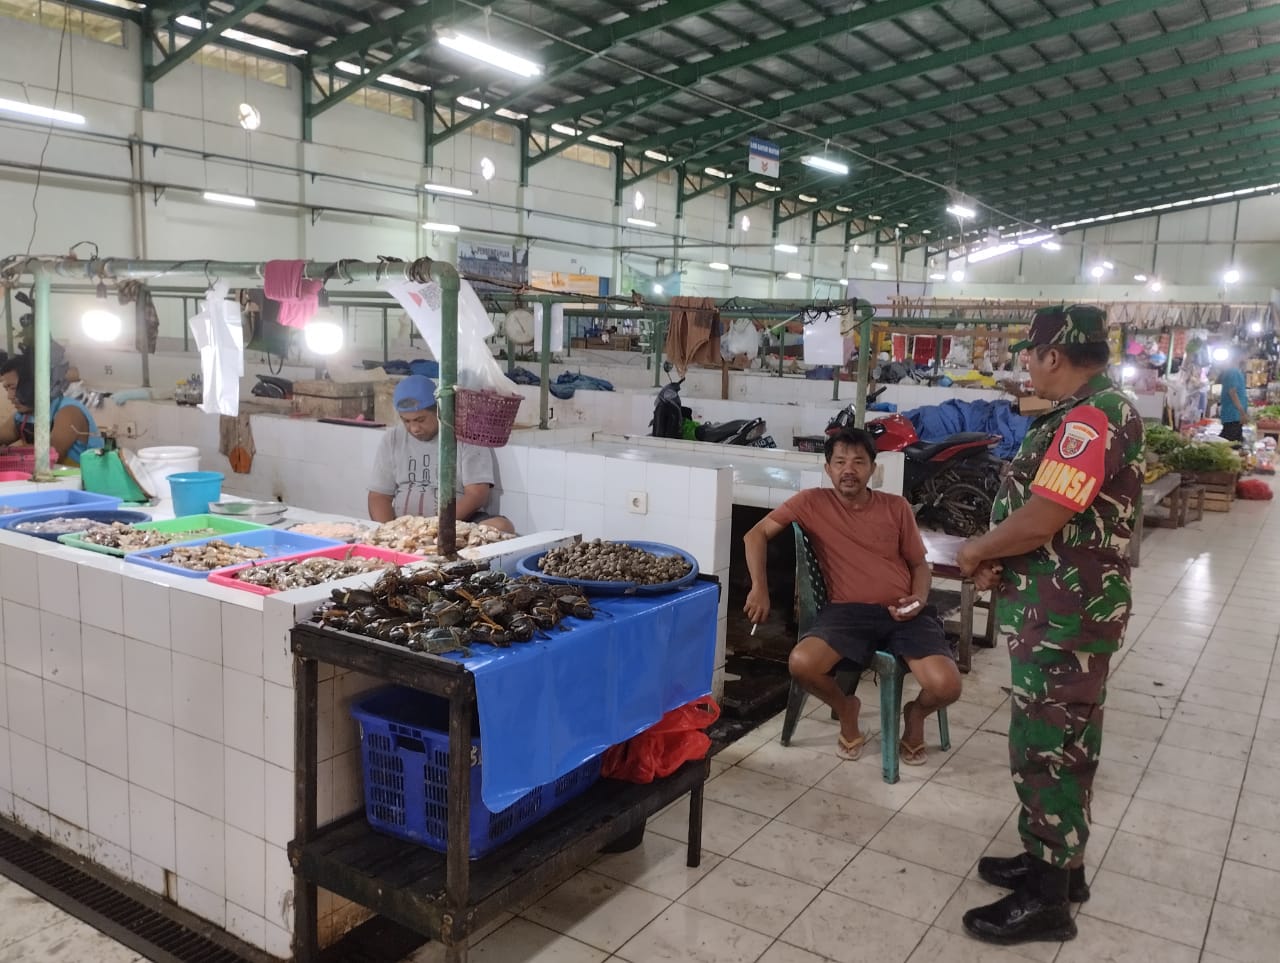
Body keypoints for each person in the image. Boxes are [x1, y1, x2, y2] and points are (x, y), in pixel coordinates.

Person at [954, 304, 1144, 946]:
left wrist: (978, 550)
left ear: (1053, 355)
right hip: (1064, 608)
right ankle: (1058, 864)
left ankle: (1047, 901)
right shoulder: (1089, 411)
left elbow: (1043, 517)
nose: (1027, 368)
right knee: (1068, 742)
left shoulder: (1091, 419)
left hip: (1063, 616)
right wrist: (1002, 556)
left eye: (1030, 356)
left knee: (1046, 747)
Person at [743, 427, 962, 762]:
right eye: (840, 461)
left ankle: (915, 715)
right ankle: (846, 708)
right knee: (802, 663)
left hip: (904, 613)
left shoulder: (896, 507)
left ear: (872, 468)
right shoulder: (811, 502)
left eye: (859, 462)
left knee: (947, 686)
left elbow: (920, 565)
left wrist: (918, 599)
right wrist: (759, 588)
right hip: (847, 613)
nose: (849, 469)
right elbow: (755, 535)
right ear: (827, 468)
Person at [367, 375, 514, 531]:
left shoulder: (467, 435)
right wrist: (388, 531)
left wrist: (436, 529)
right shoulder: (393, 438)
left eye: (420, 420)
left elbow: (477, 494)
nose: (414, 429)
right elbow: (379, 496)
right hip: (405, 527)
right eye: (406, 421)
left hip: (458, 523)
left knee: (502, 526)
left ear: (438, 410)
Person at [0, 353, 101, 465]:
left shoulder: (68, 411)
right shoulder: (22, 416)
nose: (9, 396)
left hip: (81, 475)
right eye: (7, 389)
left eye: (13, 388)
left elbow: (49, 459)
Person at [1216, 351, 1249, 442]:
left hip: (1234, 416)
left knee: (1234, 443)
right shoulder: (1233, 372)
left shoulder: (1234, 371)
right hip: (1233, 415)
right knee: (1231, 444)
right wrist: (1242, 412)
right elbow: (1232, 393)